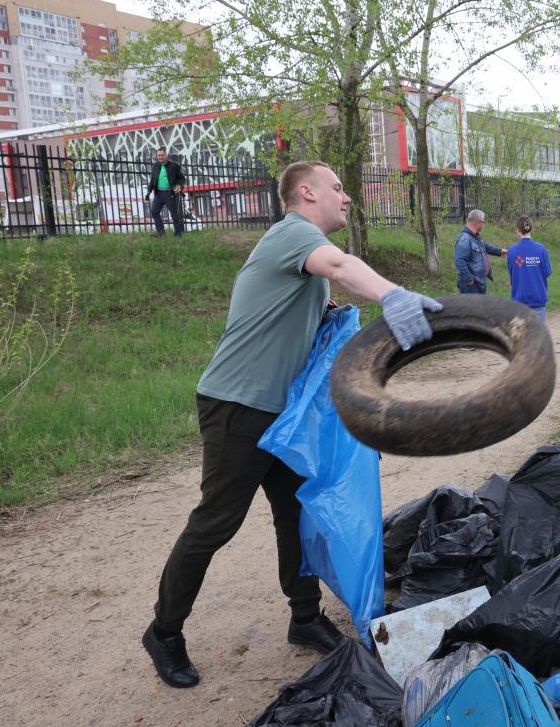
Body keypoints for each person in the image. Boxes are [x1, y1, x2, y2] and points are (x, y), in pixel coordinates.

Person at [141, 161, 442, 689]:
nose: (346, 197)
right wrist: (392, 295)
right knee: (216, 521)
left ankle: (304, 617)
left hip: (282, 412)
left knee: (294, 513)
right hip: (237, 404)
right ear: (306, 192)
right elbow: (341, 264)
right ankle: (163, 631)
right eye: (337, 188)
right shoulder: (293, 234)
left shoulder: (301, 258)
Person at [506, 216, 552, 321]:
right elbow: (547, 272)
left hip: (519, 300)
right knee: (537, 331)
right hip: (538, 299)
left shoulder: (512, 250)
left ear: (517, 230)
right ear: (531, 228)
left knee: (521, 331)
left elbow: (512, 272)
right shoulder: (542, 249)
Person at [454, 209, 506, 293]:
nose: (483, 225)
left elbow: (485, 246)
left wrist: (500, 251)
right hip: (471, 286)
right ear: (477, 222)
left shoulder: (475, 237)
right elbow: (460, 261)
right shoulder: (465, 238)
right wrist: (469, 279)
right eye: (483, 222)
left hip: (478, 282)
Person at [146, 148, 186, 237]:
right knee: (154, 212)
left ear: (166, 155)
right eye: (158, 155)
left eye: (162, 155)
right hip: (158, 193)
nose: (160, 157)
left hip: (170, 193)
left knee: (174, 215)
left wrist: (179, 185)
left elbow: (182, 178)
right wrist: (149, 191)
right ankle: (161, 232)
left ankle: (178, 234)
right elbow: (153, 180)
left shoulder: (174, 166)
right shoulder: (155, 166)